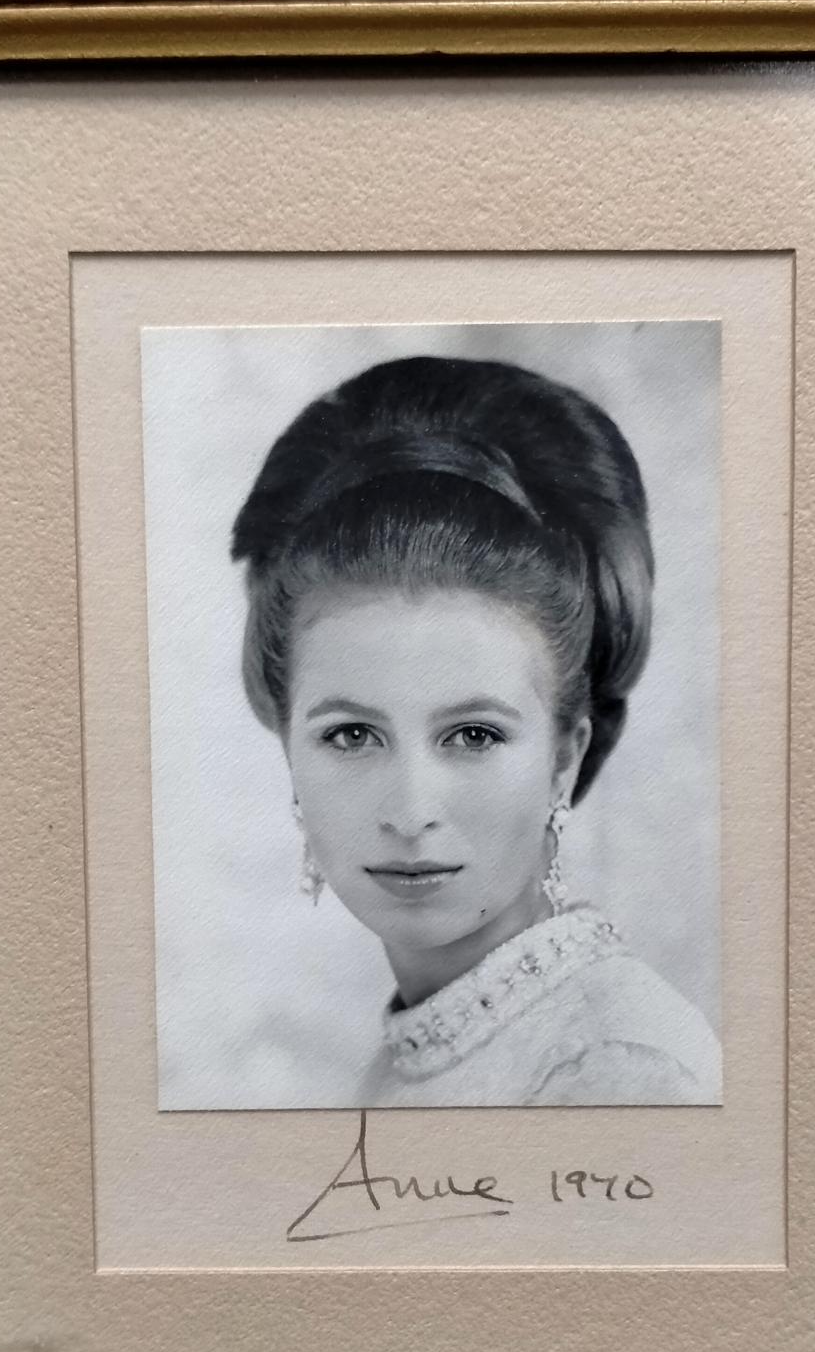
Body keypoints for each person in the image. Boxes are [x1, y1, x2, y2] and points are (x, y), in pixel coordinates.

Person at [231, 354, 721, 1108]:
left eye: (473, 735)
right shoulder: (410, 1056)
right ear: (287, 737)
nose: (410, 810)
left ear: (565, 756)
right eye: (353, 735)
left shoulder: (618, 1068)